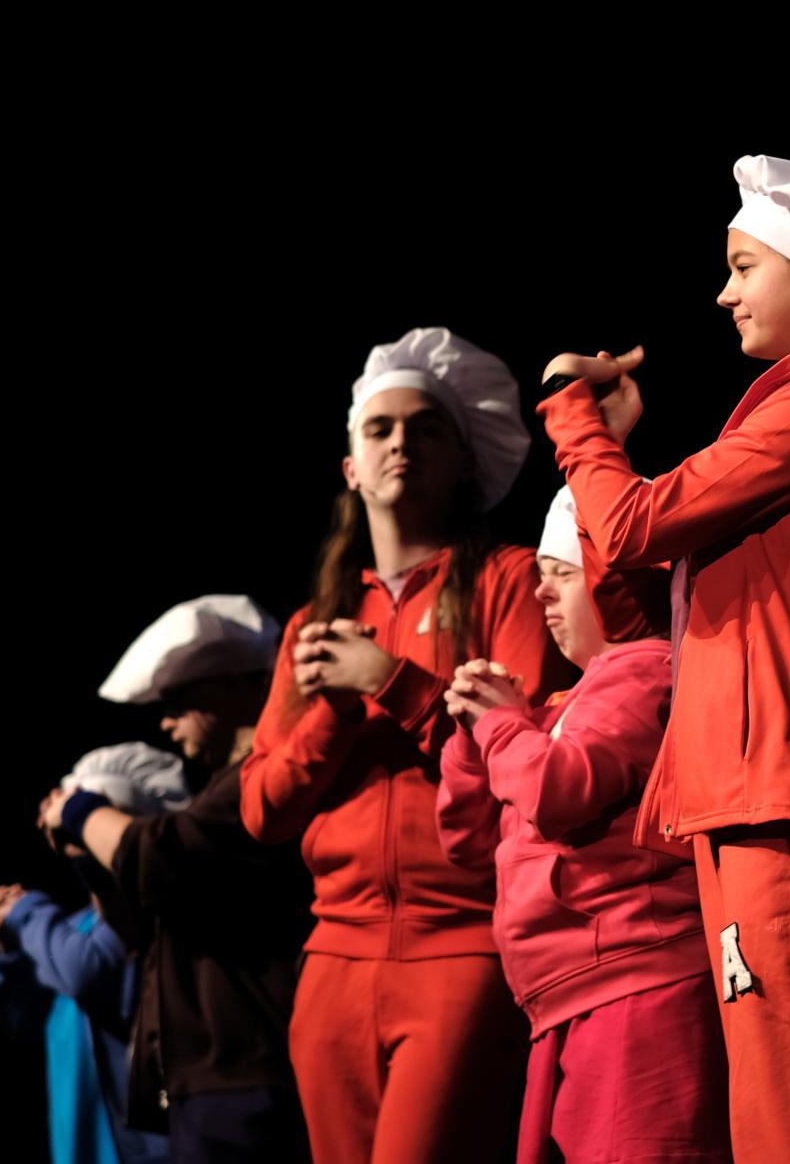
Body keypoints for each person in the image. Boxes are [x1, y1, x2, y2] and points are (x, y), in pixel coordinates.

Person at [537, 156, 790, 1163]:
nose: (723, 292)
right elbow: (648, 589)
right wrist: (609, 440)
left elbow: (633, 525)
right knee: (780, 1111)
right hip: (761, 787)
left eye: (744, 266)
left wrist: (572, 412)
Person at [239, 326, 570, 1164]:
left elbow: (526, 763)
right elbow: (262, 813)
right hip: (332, 962)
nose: (401, 444)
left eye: (426, 429)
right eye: (380, 429)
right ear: (351, 467)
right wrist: (335, 713)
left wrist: (389, 679)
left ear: (463, 460)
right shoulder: (315, 625)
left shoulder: (508, 581)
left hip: (463, 949)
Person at [436, 487, 729, 1164]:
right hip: (570, 995)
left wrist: (497, 723)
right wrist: (470, 737)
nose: (541, 592)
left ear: (613, 584)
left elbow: (556, 789)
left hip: (637, 986)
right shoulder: (564, 705)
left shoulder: (647, 674)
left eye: (562, 574)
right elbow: (467, 843)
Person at [43, 594, 314, 1161]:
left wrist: (77, 809)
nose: (165, 723)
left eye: (178, 703)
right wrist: (87, 858)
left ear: (231, 686)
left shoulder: (258, 783)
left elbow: (158, 855)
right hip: (215, 1080)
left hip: (248, 1075)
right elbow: (145, 922)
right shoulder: (222, 787)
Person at [0, 743, 188, 1164]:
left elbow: (87, 971)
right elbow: (23, 1018)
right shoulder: (72, 928)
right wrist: (6, 951)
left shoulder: (150, 920)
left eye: (91, 806)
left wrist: (25, 913)